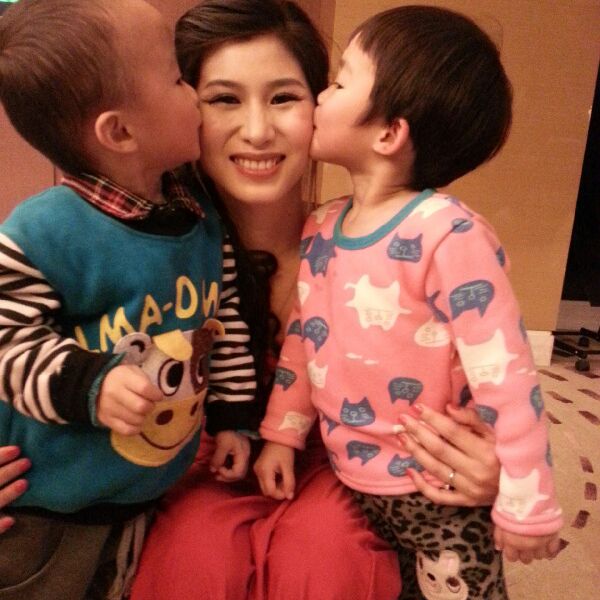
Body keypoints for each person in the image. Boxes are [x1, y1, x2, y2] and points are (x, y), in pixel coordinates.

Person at [130, 2, 504, 599]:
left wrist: (493, 465)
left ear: (323, 105)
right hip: (206, 461)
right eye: (224, 99)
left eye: (283, 97)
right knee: (194, 558)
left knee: (326, 558)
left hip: (357, 468)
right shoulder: (156, 253)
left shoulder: (400, 252)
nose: (258, 130)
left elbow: (487, 368)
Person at [255, 5, 563, 599]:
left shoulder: (448, 234)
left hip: (439, 489)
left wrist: (528, 501)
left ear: (388, 134)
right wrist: (281, 436)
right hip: (350, 481)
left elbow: (506, 374)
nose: (320, 96)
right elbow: (304, 341)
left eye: (340, 82)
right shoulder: (322, 228)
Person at [0, 0, 256, 597]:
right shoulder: (44, 231)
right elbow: (5, 340)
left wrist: (234, 419)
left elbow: (222, 323)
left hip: (138, 493)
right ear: (119, 132)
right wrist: (92, 383)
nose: (195, 95)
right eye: (178, 79)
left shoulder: (197, 217)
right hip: (43, 508)